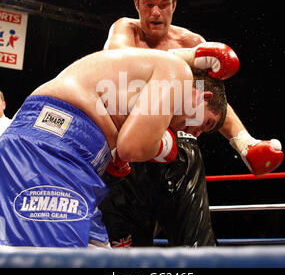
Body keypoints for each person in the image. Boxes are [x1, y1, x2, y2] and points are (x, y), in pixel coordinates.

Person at [99, 0, 284, 247]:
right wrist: (186, 59)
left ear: (175, 5)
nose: (156, 13)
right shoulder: (125, 29)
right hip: (128, 148)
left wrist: (244, 143)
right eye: (148, 4)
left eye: (163, 4)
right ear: (137, 5)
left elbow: (210, 102)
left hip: (176, 151)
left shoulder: (192, 42)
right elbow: (118, 63)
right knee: (128, 248)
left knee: (193, 244)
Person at [0, 47, 230, 247]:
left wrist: (112, 156)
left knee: (99, 257)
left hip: (70, 158)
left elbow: (123, 143)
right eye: (205, 123)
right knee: (51, 259)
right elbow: (133, 146)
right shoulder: (177, 70)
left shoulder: (141, 78)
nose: (195, 133)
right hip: (50, 147)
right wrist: (164, 148)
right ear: (202, 97)